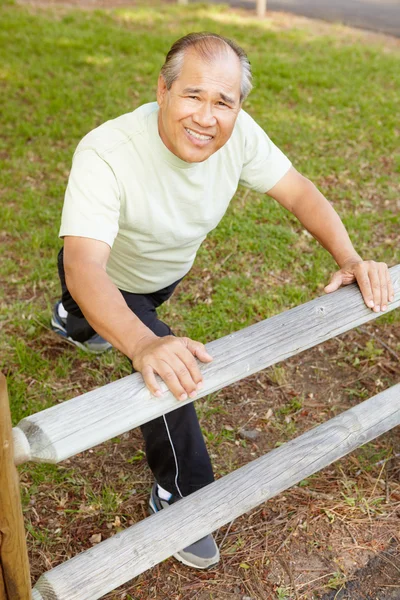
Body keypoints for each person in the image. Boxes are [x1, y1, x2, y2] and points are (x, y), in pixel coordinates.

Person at [51, 32, 394, 570]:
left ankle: (75, 318)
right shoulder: (106, 151)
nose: (207, 116)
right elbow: (84, 266)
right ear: (161, 91)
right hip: (107, 278)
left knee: (108, 319)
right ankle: (185, 495)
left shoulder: (240, 136)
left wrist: (350, 257)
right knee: (168, 366)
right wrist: (143, 343)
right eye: (192, 96)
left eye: (223, 102)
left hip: (164, 274)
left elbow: (299, 190)